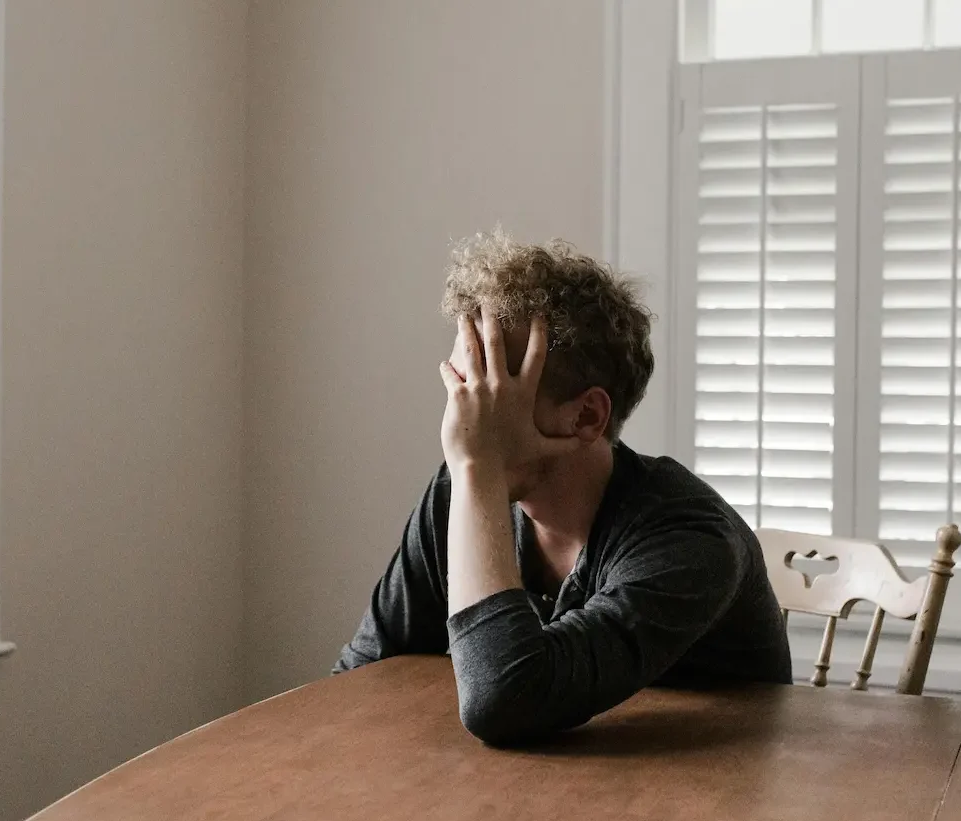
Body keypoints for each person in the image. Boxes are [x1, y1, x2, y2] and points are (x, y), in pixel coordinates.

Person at [334, 230, 792, 745]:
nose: (460, 420)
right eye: (460, 387)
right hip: (535, 793)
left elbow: (503, 700)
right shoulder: (461, 490)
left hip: (711, 802)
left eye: (489, 391)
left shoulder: (690, 540)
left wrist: (478, 470)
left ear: (587, 416)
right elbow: (359, 678)